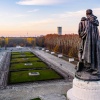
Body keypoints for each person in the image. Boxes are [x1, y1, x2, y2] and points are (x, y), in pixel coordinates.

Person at [77, 9, 100, 74]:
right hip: (94, 41)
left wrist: (82, 35)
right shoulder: (94, 20)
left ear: (87, 14)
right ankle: (92, 67)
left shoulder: (88, 21)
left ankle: (96, 69)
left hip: (90, 40)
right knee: (93, 53)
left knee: (90, 53)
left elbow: (85, 32)